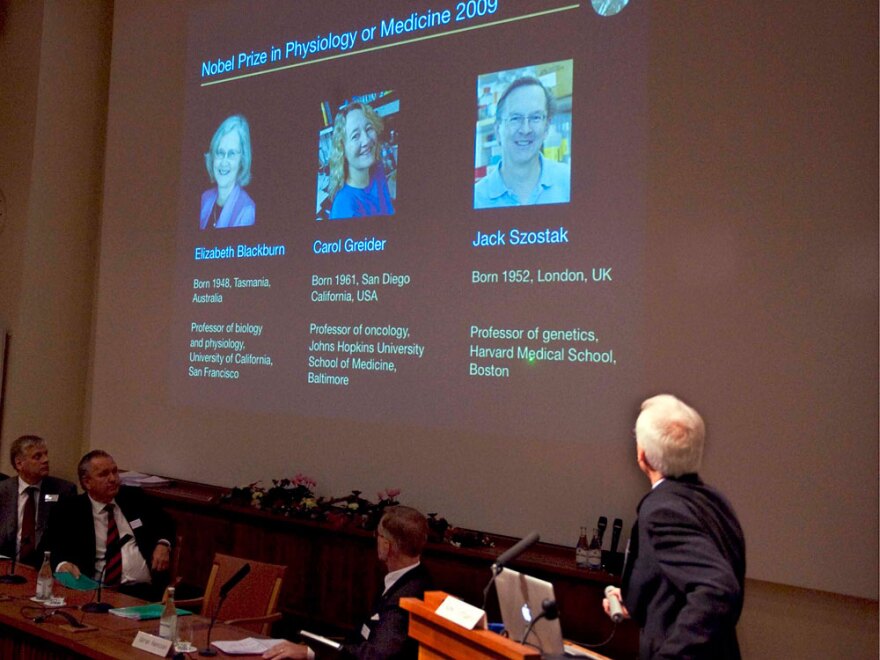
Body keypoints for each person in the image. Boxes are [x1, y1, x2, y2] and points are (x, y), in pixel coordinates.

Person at [604, 394, 746, 659]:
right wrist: (636, 602)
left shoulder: (662, 510)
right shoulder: (715, 501)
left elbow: (718, 589)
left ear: (642, 455)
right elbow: (679, 581)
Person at [263, 506, 432, 660]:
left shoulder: (405, 598)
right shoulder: (414, 578)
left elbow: (376, 656)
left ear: (386, 546)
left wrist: (309, 652)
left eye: (378, 535)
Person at [47, 450, 175, 600]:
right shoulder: (70, 510)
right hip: (96, 593)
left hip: (147, 592)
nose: (113, 479)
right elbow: (47, 549)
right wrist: (62, 564)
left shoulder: (133, 498)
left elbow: (167, 522)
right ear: (87, 482)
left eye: (115, 471)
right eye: (104, 474)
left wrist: (163, 544)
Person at [474, 75, 571, 209]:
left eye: (535, 117)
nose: (525, 129)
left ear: (546, 128)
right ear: (497, 130)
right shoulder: (477, 197)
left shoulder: (569, 182)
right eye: (515, 118)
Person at [0, 435, 76, 567]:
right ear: (19, 463)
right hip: (6, 566)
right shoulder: (3, 490)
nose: (46, 460)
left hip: (46, 568)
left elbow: (69, 538)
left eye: (46, 454)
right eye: (37, 456)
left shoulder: (63, 491)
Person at [327, 102, 395, 220]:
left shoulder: (376, 168)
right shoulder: (345, 209)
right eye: (355, 136)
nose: (367, 140)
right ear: (342, 149)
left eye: (369, 129)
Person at [200, 114, 256, 229]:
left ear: (242, 160)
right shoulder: (205, 198)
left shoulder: (247, 210)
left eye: (231, 154)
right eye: (220, 152)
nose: (224, 162)